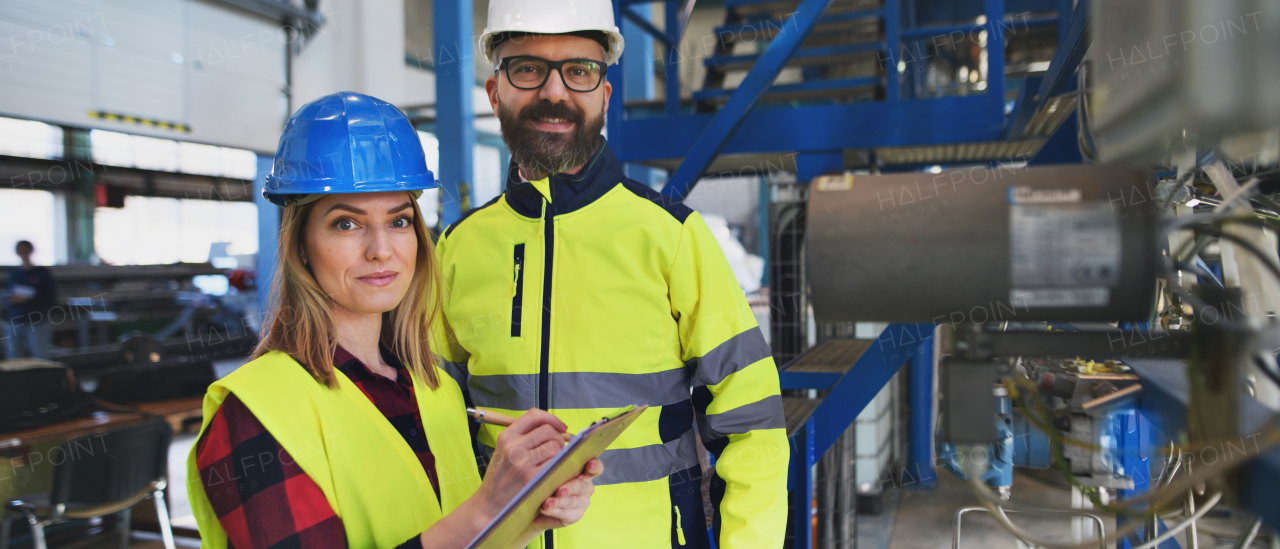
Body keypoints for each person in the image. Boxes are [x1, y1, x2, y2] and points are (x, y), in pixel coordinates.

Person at [432, 1, 789, 547]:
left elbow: (752, 425)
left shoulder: (671, 237)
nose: (554, 92)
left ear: (604, 94)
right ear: (493, 92)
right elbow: (437, 426)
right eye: (527, 68)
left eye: (579, 70)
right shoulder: (457, 251)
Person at [187, 91, 602, 549]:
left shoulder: (436, 391)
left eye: (400, 221)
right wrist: (485, 506)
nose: (381, 249)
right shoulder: (255, 412)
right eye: (347, 223)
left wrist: (527, 514)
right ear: (300, 243)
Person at [5, 240, 57, 359]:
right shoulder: (14, 274)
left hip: (36, 322)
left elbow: (51, 298)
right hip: (16, 322)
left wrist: (28, 300)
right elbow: (8, 294)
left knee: (41, 357)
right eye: (21, 251)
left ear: (31, 251)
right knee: (15, 359)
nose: (24, 253)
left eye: (26, 250)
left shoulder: (41, 273)